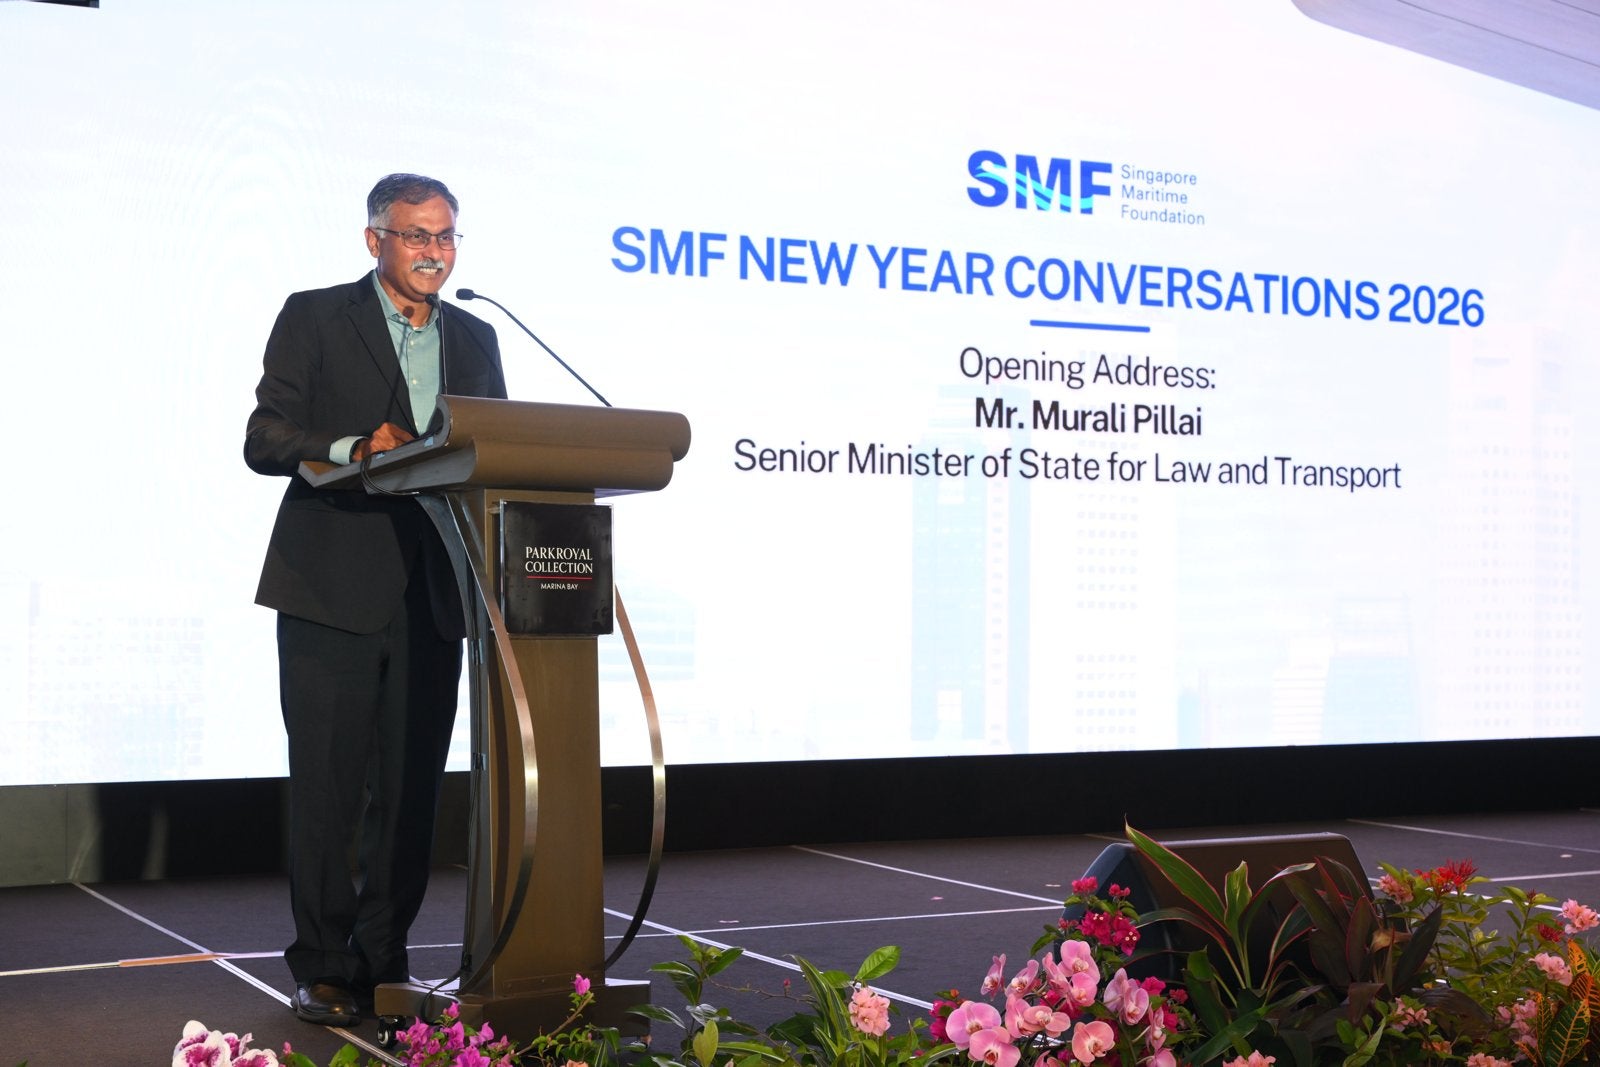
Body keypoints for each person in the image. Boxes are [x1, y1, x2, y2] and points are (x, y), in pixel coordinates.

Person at [244, 173, 507, 1026]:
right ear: (375, 240)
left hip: (434, 588)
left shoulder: (475, 336)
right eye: (417, 235)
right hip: (330, 586)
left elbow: (499, 450)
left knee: (411, 790)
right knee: (329, 787)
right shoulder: (317, 316)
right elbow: (265, 436)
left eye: (446, 236)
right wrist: (357, 446)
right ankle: (324, 967)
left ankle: (383, 959)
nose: (436, 252)